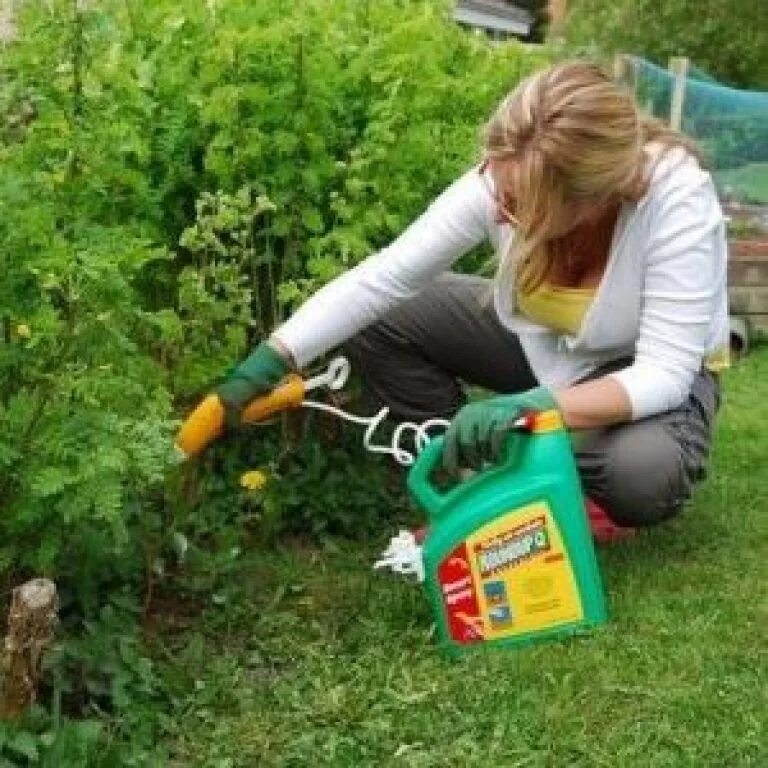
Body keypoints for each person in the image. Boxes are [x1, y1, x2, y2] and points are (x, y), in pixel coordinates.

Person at [213, 60, 728, 533]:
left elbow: (662, 374)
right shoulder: (511, 175)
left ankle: (557, 486)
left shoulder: (674, 197)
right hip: (548, 351)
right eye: (498, 189)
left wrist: (534, 408)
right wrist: (270, 359)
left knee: (641, 475)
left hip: (642, 374)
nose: (500, 211)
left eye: (520, 205)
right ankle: (474, 488)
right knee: (388, 316)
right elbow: (384, 278)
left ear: (591, 199)